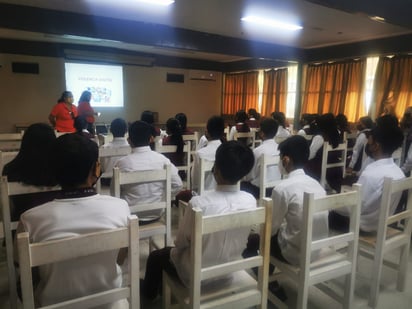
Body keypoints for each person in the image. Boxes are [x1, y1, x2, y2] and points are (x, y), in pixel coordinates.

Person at [17, 133, 131, 308]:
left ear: (53, 171)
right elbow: (121, 258)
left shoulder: (30, 219)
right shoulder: (120, 207)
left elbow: (25, 270)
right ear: (96, 170)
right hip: (110, 302)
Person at [141, 141, 256, 300]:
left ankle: (149, 296)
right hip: (229, 271)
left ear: (216, 169)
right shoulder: (250, 201)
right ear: (244, 173)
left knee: (156, 257)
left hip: (195, 275)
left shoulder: (199, 204)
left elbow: (181, 243)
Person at [242, 135, 327, 300]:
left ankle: (266, 281)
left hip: (295, 254)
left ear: (286, 160)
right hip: (316, 248)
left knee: (256, 240)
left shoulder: (282, 188)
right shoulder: (317, 184)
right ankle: (268, 279)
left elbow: (271, 228)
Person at [330, 115, 405, 232]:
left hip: (362, 225)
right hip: (383, 224)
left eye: (369, 141)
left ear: (376, 146)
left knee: (323, 213)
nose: (368, 144)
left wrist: (332, 204)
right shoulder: (399, 172)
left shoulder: (371, 173)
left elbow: (355, 205)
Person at [113, 120, 182, 220]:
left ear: (129, 141)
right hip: (157, 213)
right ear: (151, 139)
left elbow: (114, 192)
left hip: (129, 215)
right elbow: (178, 184)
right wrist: (163, 196)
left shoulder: (121, 163)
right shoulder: (163, 160)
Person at [2, 123, 58, 221]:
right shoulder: (60, 168)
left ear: (25, 142)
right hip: (56, 220)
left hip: (23, 224)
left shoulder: (10, 169)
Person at [241, 117, 281, 199]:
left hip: (259, 190)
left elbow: (250, 176)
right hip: (277, 187)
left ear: (262, 133)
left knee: (240, 185)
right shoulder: (280, 149)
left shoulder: (257, 151)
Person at [305, 113, 343, 192]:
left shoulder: (320, 137)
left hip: (319, 168)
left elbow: (310, 155)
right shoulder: (338, 134)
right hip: (335, 167)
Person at [191, 115, 225, 193]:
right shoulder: (227, 151)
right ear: (223, 132)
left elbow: (195, 182)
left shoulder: (200, 153)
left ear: (207, 132)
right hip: (223, 192)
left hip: (203, 193)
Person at [100, 118, 130, 185]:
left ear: (110, 130)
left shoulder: (104, 148)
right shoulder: (131, 148)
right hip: (126, 181)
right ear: (126, 131)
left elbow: (101, 168)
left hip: (107, 183)